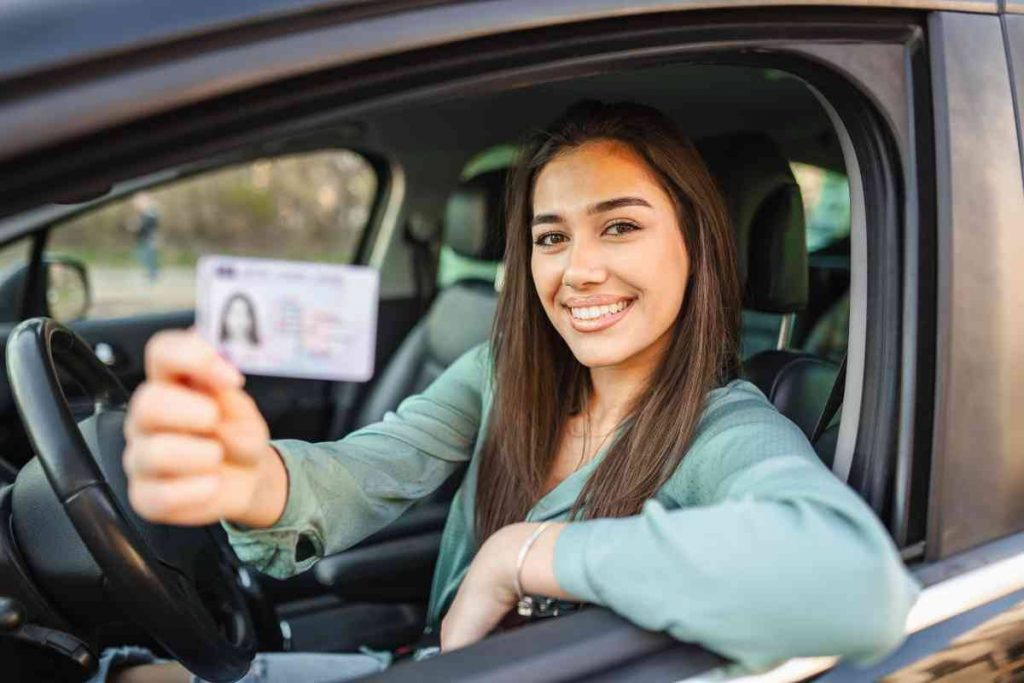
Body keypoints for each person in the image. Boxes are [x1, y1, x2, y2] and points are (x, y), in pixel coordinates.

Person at [96, 100, 920, 682]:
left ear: (698, 247)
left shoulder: (725, 427)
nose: (579, 267)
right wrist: (257, 484)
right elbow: (371, 466)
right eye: (551, 236)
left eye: (621, 225)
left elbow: (856, 585)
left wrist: (521, 555)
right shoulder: (502, 372)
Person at [127, 193, 161, 282]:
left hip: (149, 239)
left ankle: (152, 276)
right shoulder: (146, 213)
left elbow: (148, 224)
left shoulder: (151, 213)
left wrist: (137, 224)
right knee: (143, 256)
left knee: (149, 257)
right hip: (145, 239)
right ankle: (151, 275)